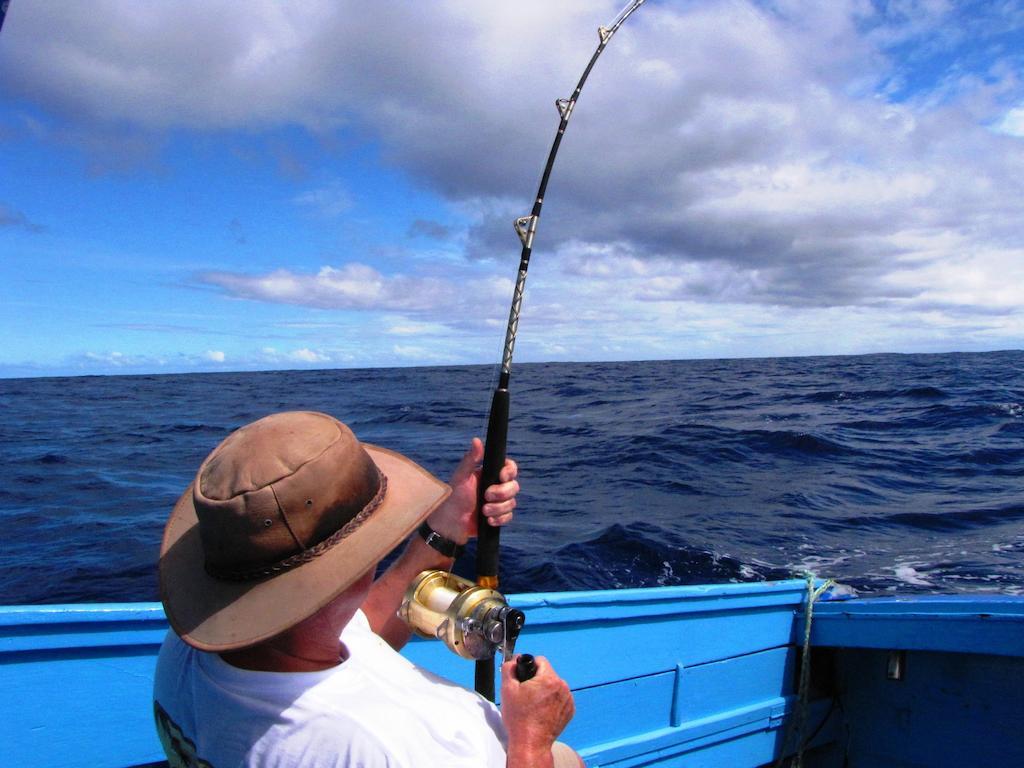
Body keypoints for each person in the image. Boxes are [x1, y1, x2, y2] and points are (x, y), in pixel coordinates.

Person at [153, 410, 581, 768]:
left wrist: (450, 524)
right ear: (350, 564)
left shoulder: (198, 642)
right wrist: (530, 740)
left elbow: (363, 627)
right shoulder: (360, 748)